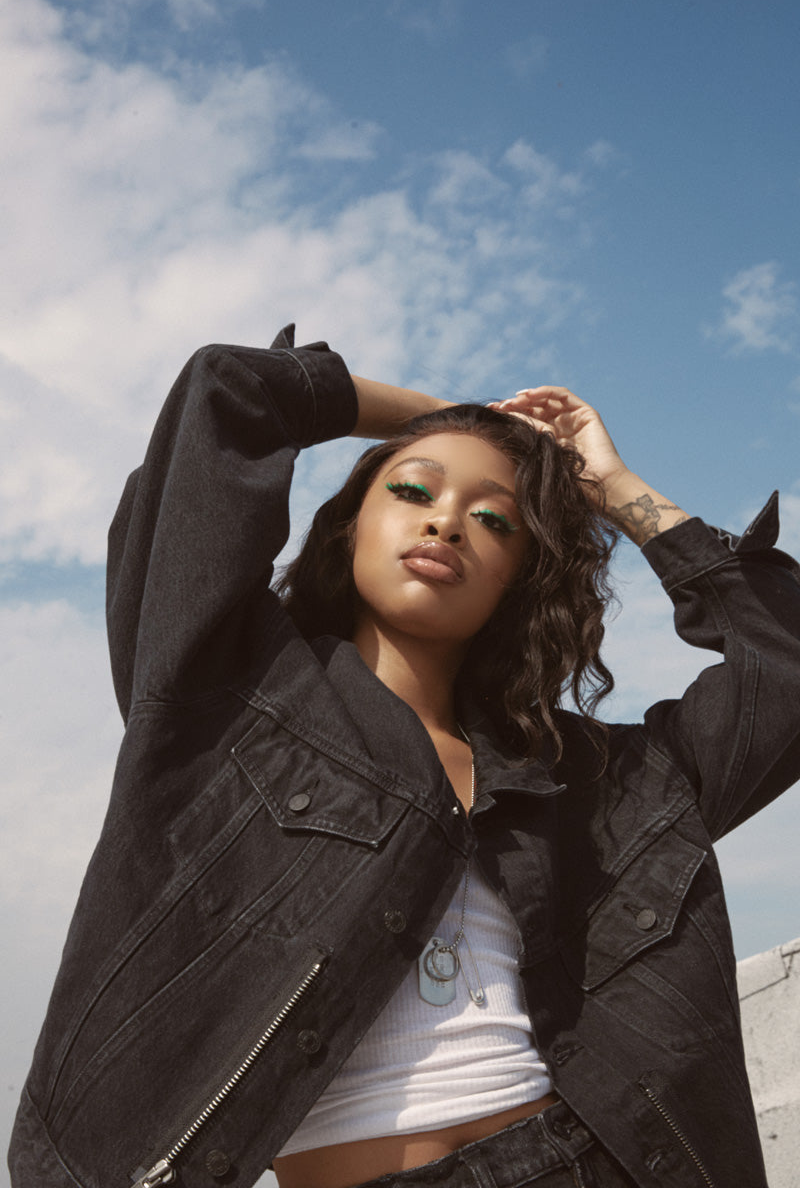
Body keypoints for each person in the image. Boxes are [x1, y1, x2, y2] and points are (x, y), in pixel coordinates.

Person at [8, 325, 800, 1188]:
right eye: (413, 488)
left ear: (518, 577)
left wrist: (608, 487)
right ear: (350, 528)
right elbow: (228, 392)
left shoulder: (595, 782)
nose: (447, 519)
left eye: (495, 517)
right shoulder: (224, 695)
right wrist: (466, 422)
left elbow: (785, 670)